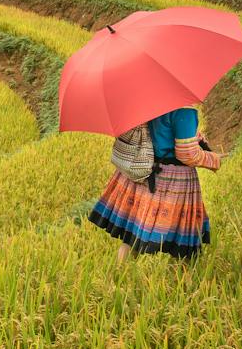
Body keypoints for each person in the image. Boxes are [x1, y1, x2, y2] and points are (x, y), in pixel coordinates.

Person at [88, 105, 223, 261]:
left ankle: (119, 276)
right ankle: (187, 280)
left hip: (144, 171)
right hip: (173, 180)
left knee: (132, 235)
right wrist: (214, 160)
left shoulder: (149, 103)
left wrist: (194, 137)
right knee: (184, 238)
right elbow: (187, 154)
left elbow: (159, 131)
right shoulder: (185, 111)